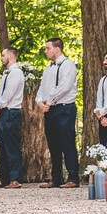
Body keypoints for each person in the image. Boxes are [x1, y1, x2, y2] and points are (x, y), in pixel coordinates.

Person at [36, 38, 79, 189]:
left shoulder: (68, 65)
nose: (45, 51)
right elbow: (41, 88)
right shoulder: (48, 68)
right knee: (53, 144)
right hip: (50, 110)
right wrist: (40, 102)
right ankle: (56, 178)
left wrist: (48, 101)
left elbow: (65, 87)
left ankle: (73, 177)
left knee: (67, 143)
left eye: (48, 48)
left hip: (64, 108)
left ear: (57, 49)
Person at [0, 47, 25, 189]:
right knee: (2, 147)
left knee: (12, 146)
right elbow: (0, 94)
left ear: (10, 56)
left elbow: (8, 94)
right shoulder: (6, 74)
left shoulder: (16, 73)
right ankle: (5, 179)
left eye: (3, 55)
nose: (1, 58)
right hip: (3, 112)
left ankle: (16, 178)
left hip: (11, 112)